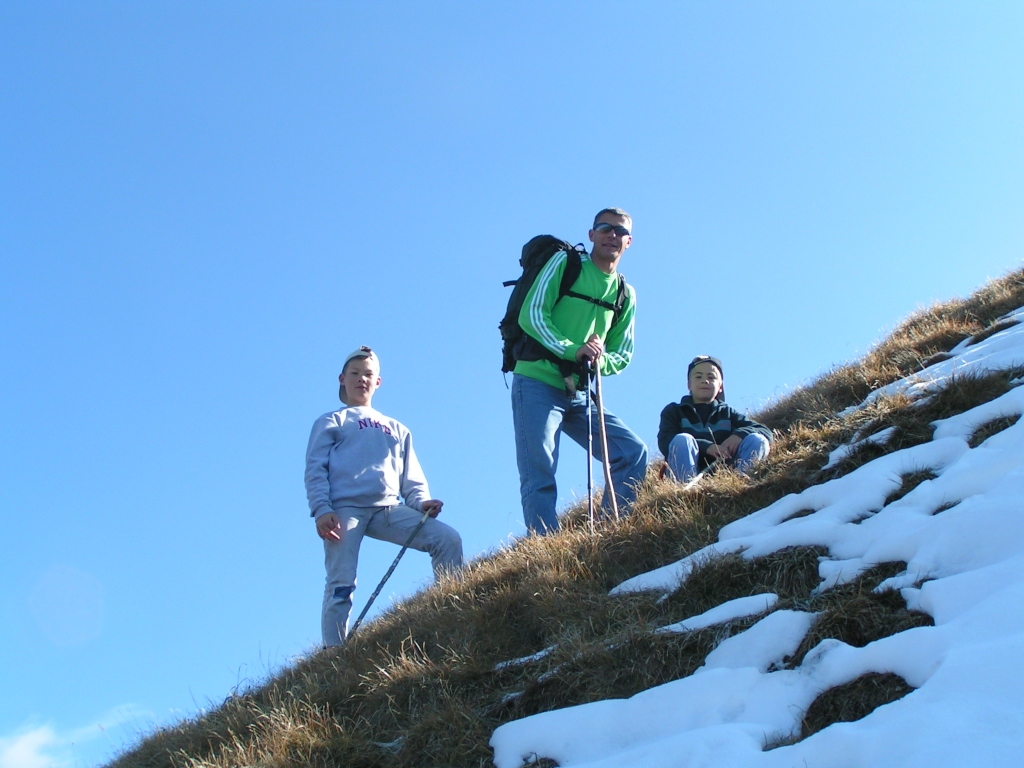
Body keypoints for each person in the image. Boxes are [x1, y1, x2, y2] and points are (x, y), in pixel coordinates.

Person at [304, 346, 463, 647]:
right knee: (341, 582)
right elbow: (315, 468)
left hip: (389, 509)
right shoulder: (331, 421)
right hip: (344, 511)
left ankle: (455, 611)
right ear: (342, 379)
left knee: (448, 539)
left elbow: (411, 478)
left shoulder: (398, 429)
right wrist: (321, 509)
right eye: (355, 373)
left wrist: (421, 502)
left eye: (368, 374)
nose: (361, 379)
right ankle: (333, 655)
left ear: (378, 382)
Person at [511, 208, 648, 534]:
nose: (612, 235)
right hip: (536, 380)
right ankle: (545, 549)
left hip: (579, 390)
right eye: (605, 228)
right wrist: (574, 349)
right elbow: (532, 315)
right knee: (539, 471)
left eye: (620, 231)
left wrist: (599, 360)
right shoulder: (565, 264)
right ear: (591, 234)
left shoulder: (625, 293)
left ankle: (609, 535)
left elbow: (622, 353)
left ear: (629, 242)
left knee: (632, 453)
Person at [657, 355, 772, 482]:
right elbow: (665, 442)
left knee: (757, 440)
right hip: (683, 473)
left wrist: (739, 435)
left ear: (720, 386)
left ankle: (742, 485)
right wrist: (707, 447)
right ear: (689, 385)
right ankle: (686, 489)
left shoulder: (728, 413)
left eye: (711, 377)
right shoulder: (674, 411)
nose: (705, 381)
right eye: (698, 377)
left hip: (723, 472)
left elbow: (764, 431)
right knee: (682, 439)